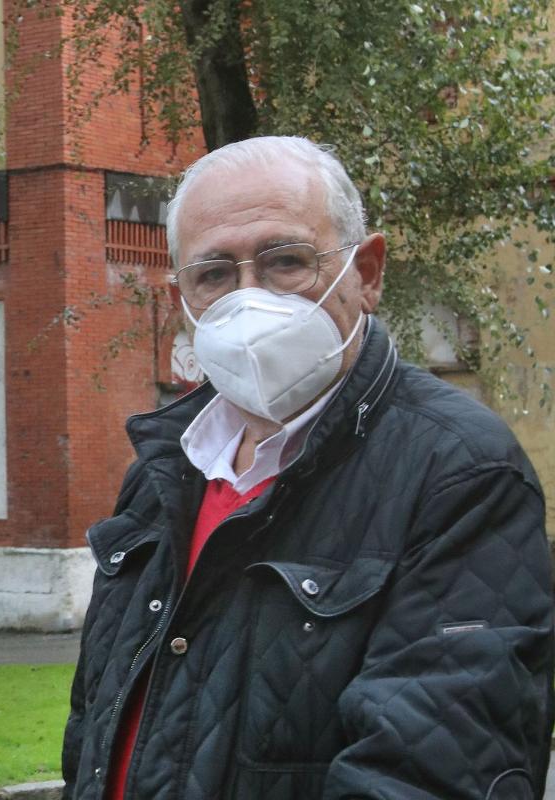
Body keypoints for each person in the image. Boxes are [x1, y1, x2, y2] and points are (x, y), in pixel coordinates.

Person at [61, 135, 554, 800]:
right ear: (181, 295)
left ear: (367, 273)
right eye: (213, 275)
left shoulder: (458, 472)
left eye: (285, 261)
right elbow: (95, 728)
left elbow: (427, 772)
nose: (248, 300)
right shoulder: (164, 469)